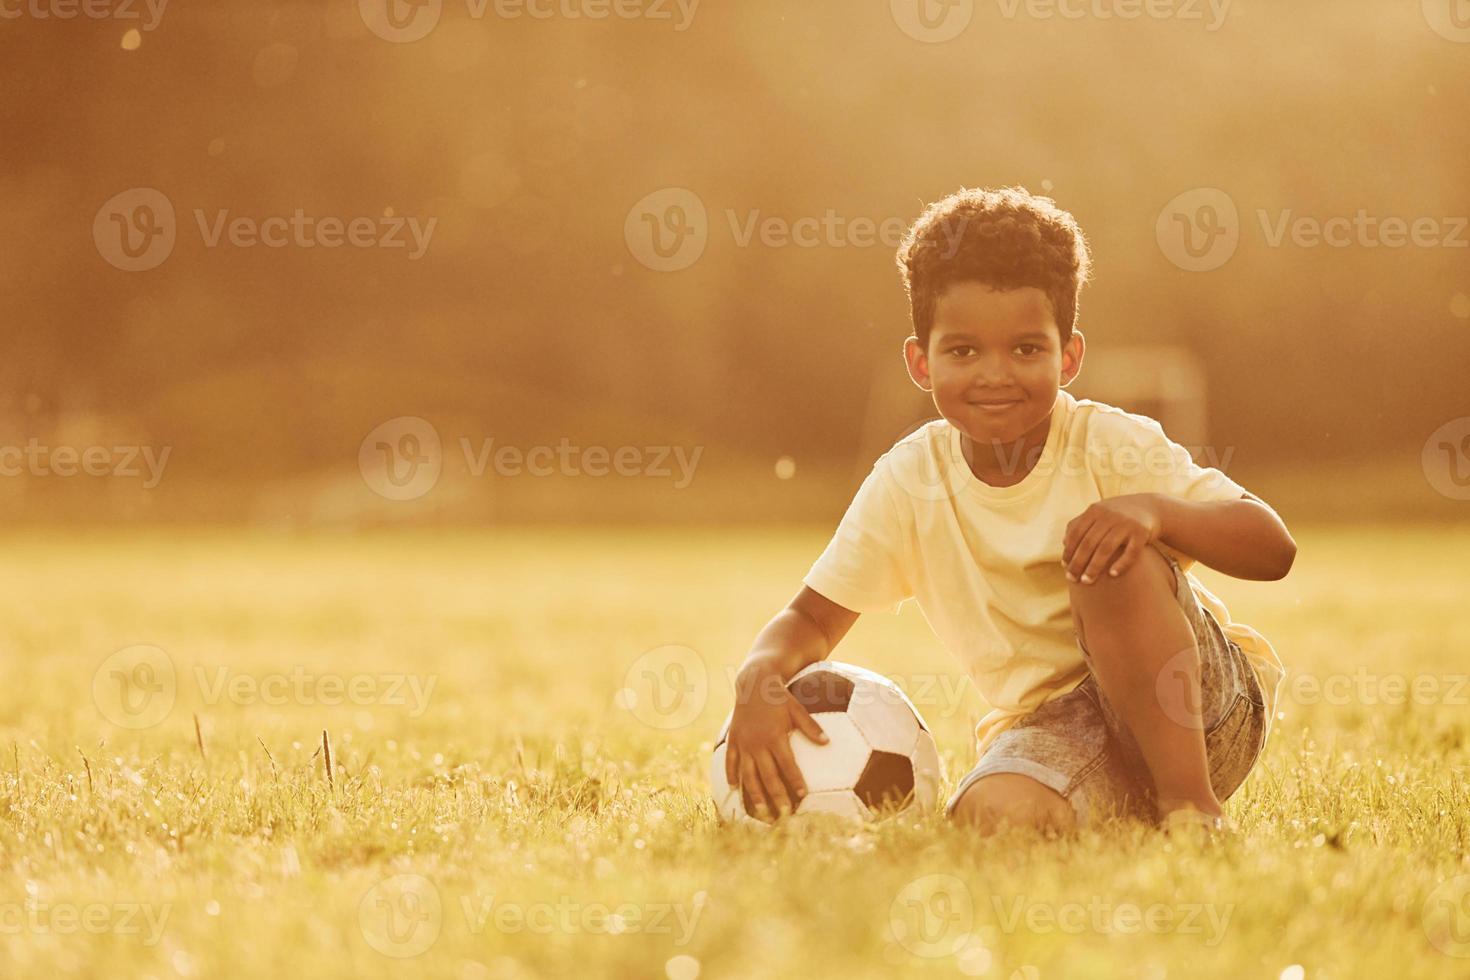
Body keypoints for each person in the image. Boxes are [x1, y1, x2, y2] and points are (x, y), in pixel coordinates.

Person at [723, 185, 1294, 835]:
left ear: (1069, 355)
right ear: (920, 362)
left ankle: (1191, 812)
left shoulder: (1108, 444)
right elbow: (812, 617)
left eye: (1025, 349)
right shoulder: (911, 481)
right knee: (990, 820)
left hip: (1199, 712)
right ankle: (1117, 809)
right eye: (964, 352)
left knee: (1103, 551)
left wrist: (1153, 513)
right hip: (1055, 728)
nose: (995, 374)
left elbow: (1272, 547)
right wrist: (760, 675)